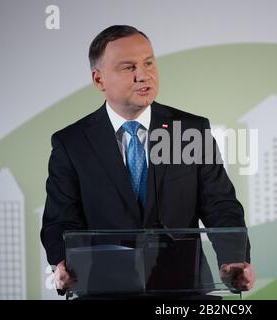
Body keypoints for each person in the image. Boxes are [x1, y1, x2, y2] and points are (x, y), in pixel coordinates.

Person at [40, 25, 255, 297]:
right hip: (105, 291)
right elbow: (60, 221)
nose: (143, 75)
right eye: (128, 67)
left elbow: (220, 204)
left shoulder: (190, 130)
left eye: (148, 63)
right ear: (99, 80)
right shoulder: (71, 143)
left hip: (182, 290)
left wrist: (232, 258)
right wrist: (63, 264)